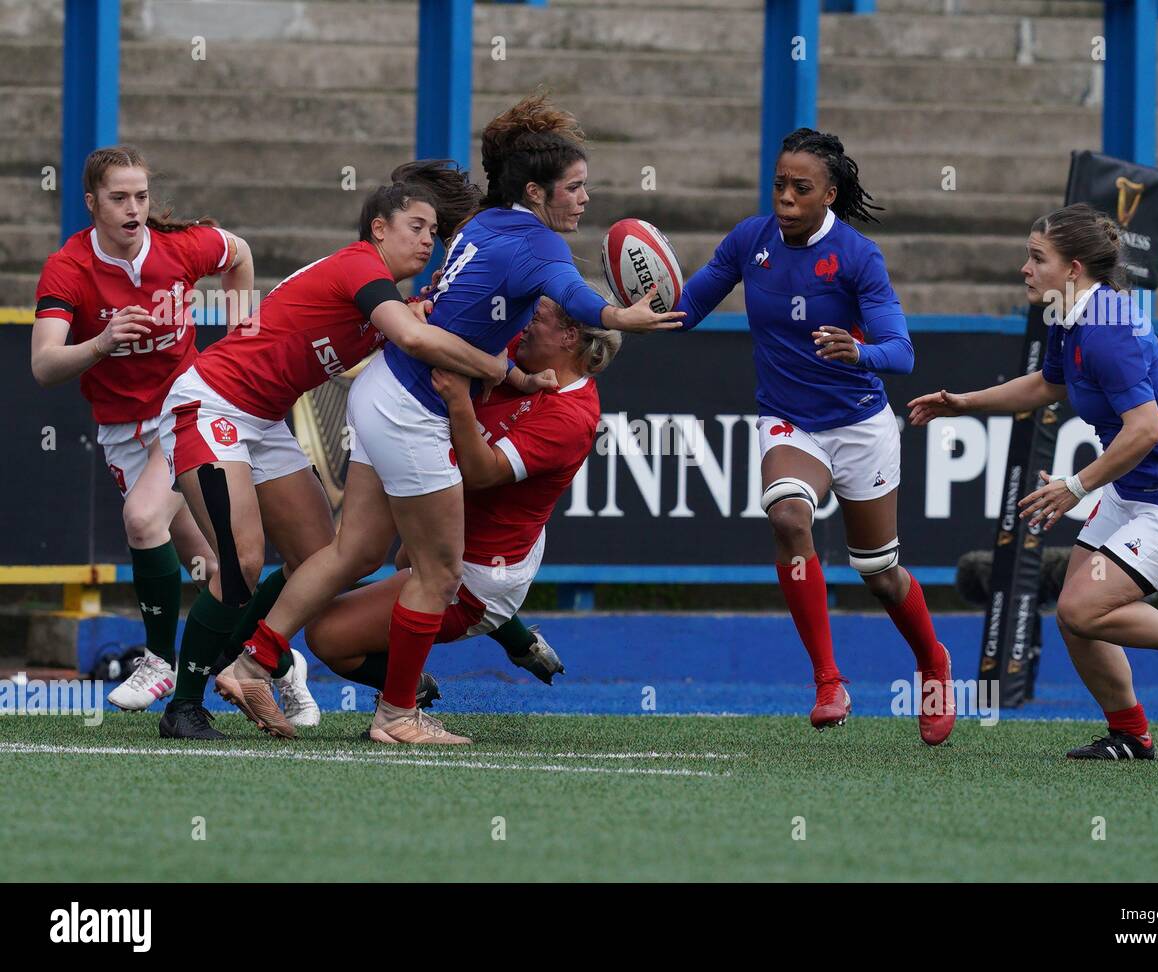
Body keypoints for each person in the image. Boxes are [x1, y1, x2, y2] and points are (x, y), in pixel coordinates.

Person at [236, 94, 682, 746]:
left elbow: (483, 307)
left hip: (385, 385)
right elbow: (579, 298)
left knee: (355, 551)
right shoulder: (541, 249)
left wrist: (502, 372)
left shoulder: (488, 221)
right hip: (415, 407)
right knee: (438, 575)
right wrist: (624, 317)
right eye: (576, 188)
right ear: (536, 191)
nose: (586, 201)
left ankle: (256, 659)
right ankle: (396, 718)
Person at [157, 181, 509, 740]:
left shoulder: (383, 293)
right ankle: (184, 706)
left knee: (319, 561)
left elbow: (418, 326)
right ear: (378, 229)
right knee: (242, 561)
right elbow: (415, 340)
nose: (427, 242)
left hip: (266, 419)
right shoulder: (359, 269)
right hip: (211, 403)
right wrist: (501, 372)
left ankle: (244, 663)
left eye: (434, 233)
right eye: (415, 227)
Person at [907, 202, 1158, 760]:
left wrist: (1076, 486)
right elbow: (1047, 386)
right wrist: (965, 403)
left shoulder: (1107, 328)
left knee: (1081, 609)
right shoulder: (1069, 315)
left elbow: (1147, 430)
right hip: (1132, 495)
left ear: (1075, 267)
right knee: (1077, 619)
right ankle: (1131, 735)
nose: (1025, 269)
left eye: (1037, 258)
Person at [674, 128, 954, 742]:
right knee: (788, 519)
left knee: (879, 572)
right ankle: (828, 678)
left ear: (829, 194)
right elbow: (686, 309)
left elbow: (901, 355)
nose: (785, 198)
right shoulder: (750, 240)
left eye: (801, 188)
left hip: (859, 424)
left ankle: (933, 660)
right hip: (789, 420)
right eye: (779, 184)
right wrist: (635, 309)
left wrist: (859, 352)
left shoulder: (856, 257)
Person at [304, 298, 618, 698]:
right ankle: (518, 640)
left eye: (536, 319)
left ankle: (403, 699)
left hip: (483, 573)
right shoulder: (521, 355)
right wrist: (418, 307)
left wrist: (457, 401)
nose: (523, 325)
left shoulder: (570, 416)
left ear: (569, 336)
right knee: (407, 559)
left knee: (328, 638)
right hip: (465, 529)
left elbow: (482, 472)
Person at [32, 145, 243, 711]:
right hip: (123, 430)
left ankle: (159, 662)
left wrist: (243, 334)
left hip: (186, 407)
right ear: (91, 203)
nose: (132, 208)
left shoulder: (180, 247)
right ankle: (271, 661)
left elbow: (238, 253)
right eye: (118, 197)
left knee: (142, 519)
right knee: (212, 568)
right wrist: (100, 343)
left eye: (141, 197)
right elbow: (44, 365)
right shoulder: (69, 268)